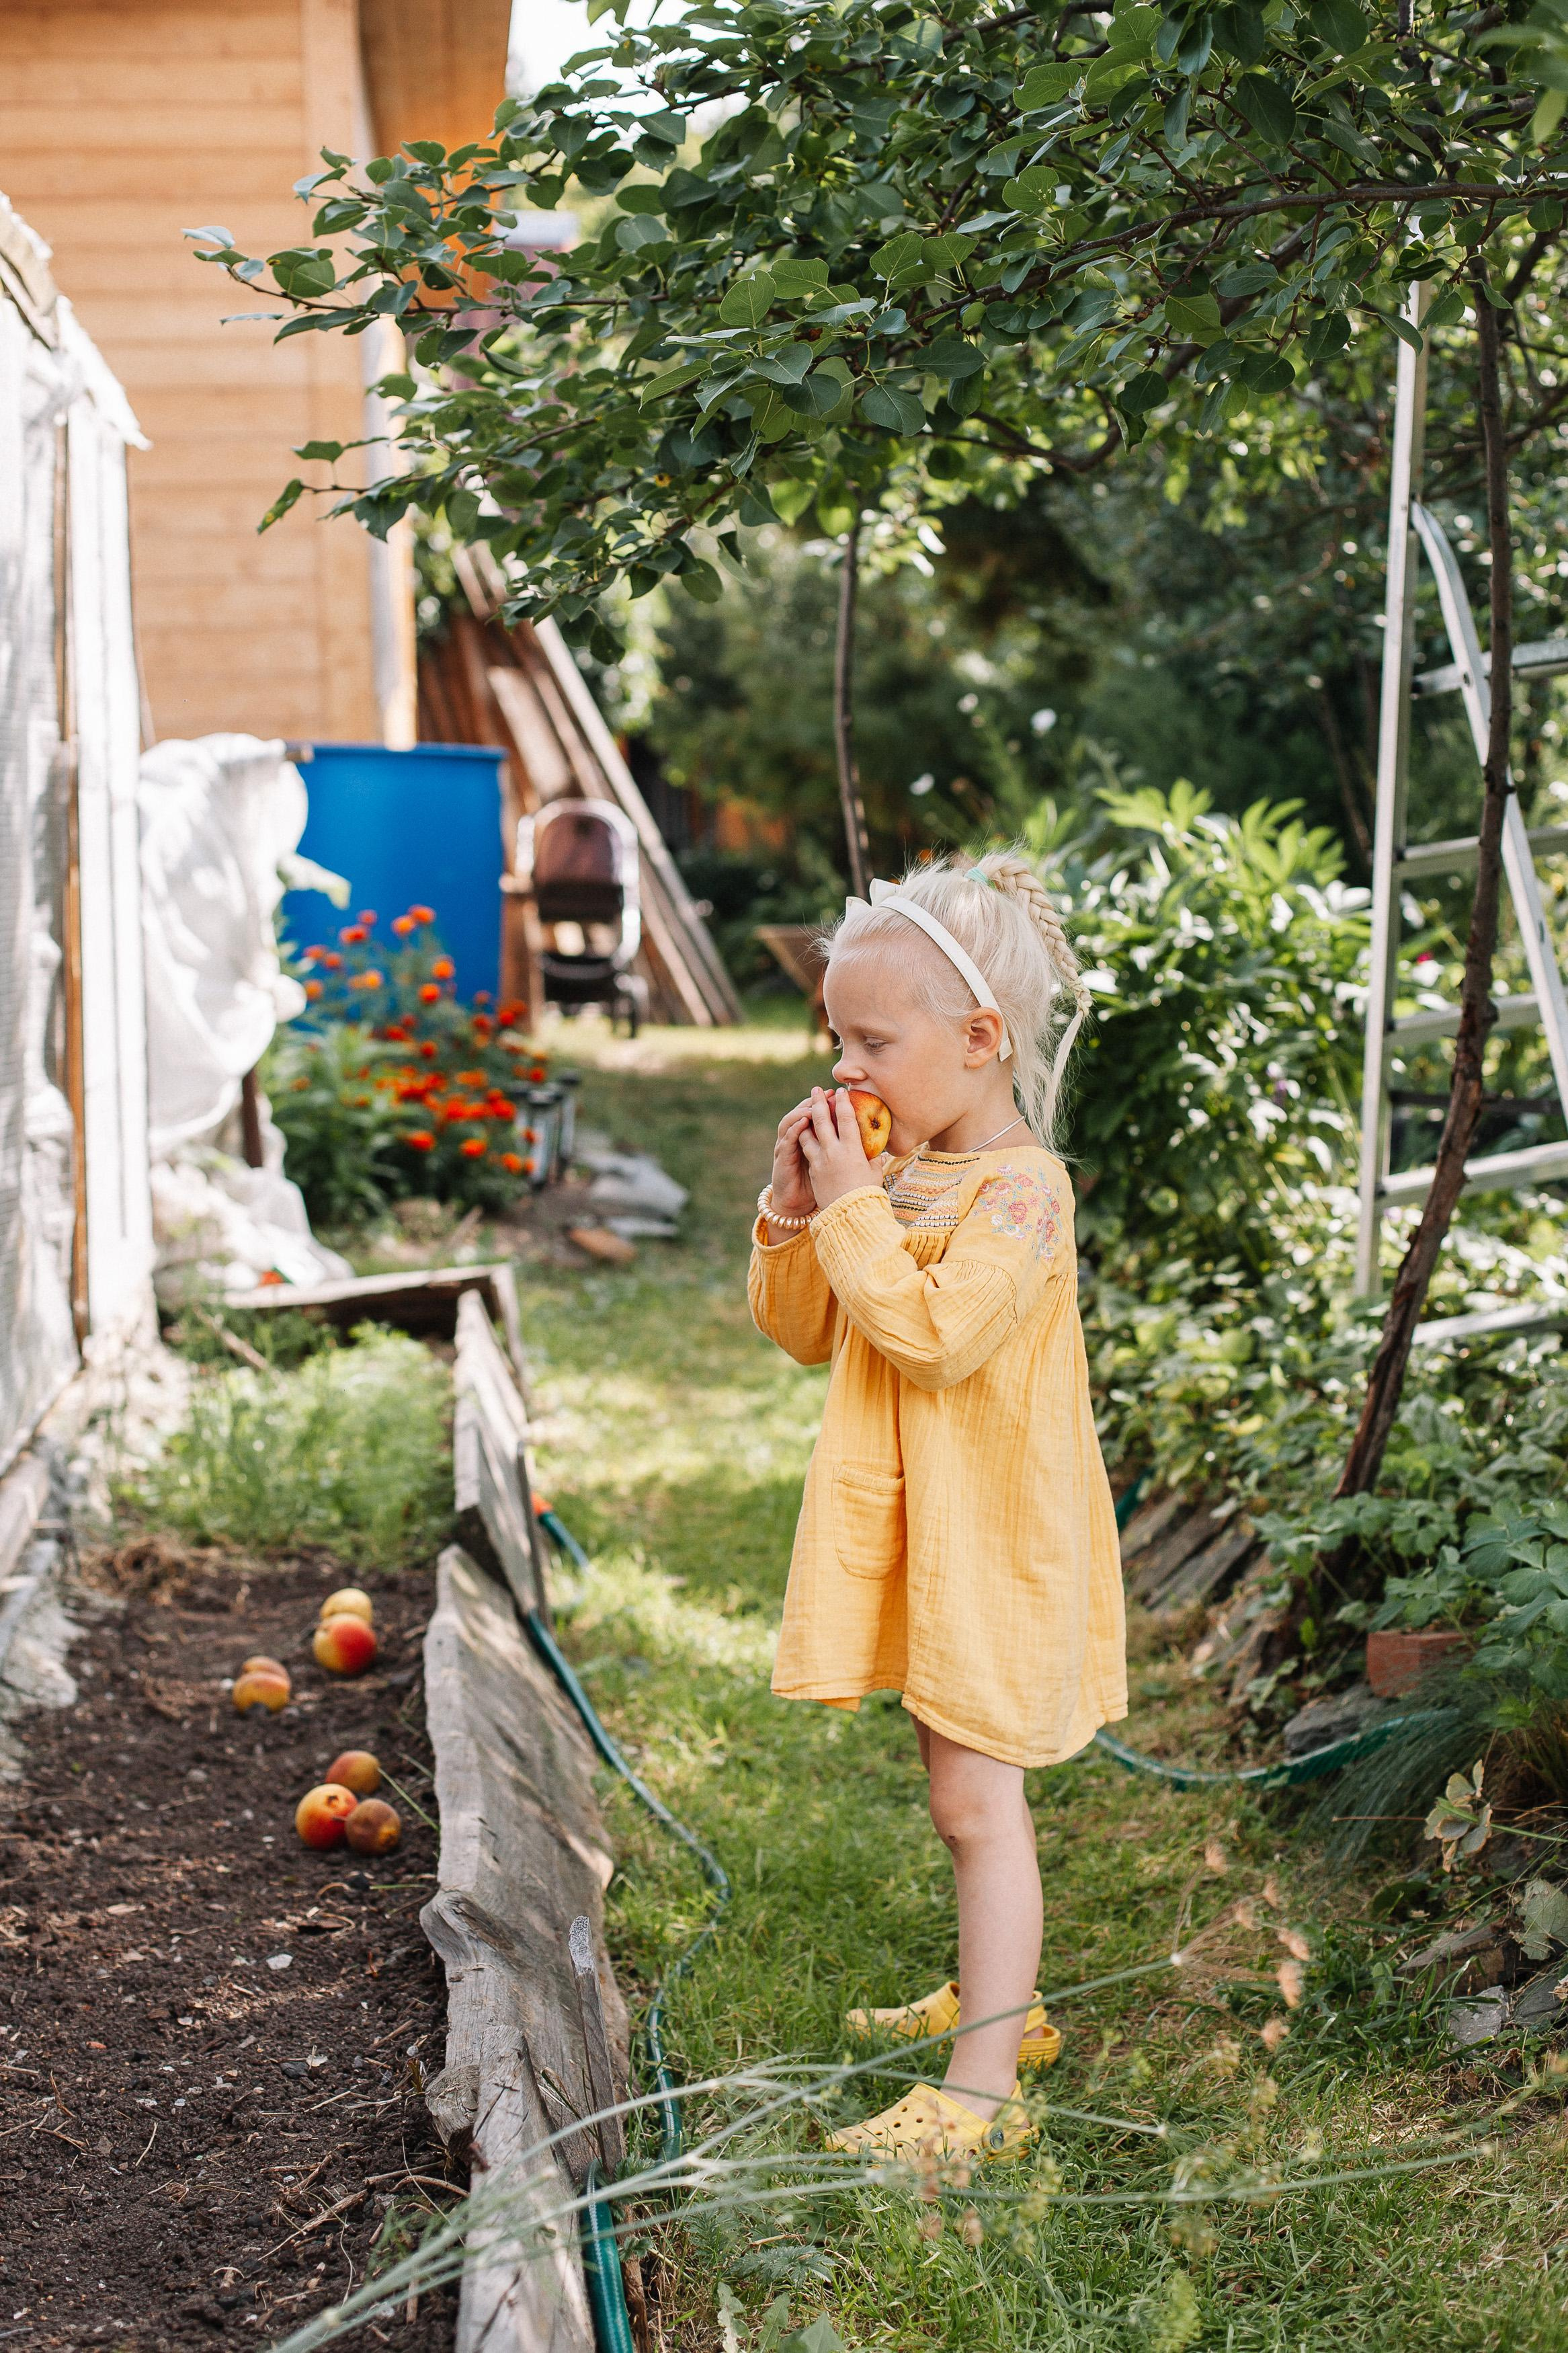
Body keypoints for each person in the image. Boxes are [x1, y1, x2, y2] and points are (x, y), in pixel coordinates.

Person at [748, 851, 1127, 2161]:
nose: (846, 1068)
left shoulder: (1023, 1194)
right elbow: (807, 1332)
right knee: (953, 1788)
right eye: (836, 1038)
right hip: (935, 1546)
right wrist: (800, 1212)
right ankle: (991, 2003)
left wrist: (857, 1208)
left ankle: (982, 2099)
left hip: (998, 1548)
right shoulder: (901, 1171)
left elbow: (933, 1340)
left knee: (979, 1806)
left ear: (979, 1041)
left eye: (872, 1039)